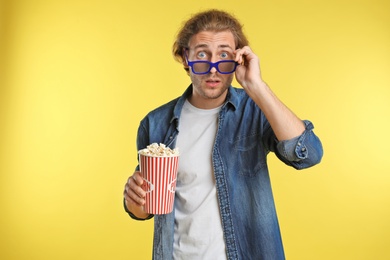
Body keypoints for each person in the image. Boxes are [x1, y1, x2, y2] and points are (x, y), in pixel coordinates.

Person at [123, 9, 323, 260]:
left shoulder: (255, 111)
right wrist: (135, 202)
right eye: (202, 54)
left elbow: (308, 154)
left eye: (224, 55)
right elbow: (146, 208)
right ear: (186, 58)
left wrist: (257, 87)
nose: (213, 68)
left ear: (238, 59)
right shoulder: (155, 124)